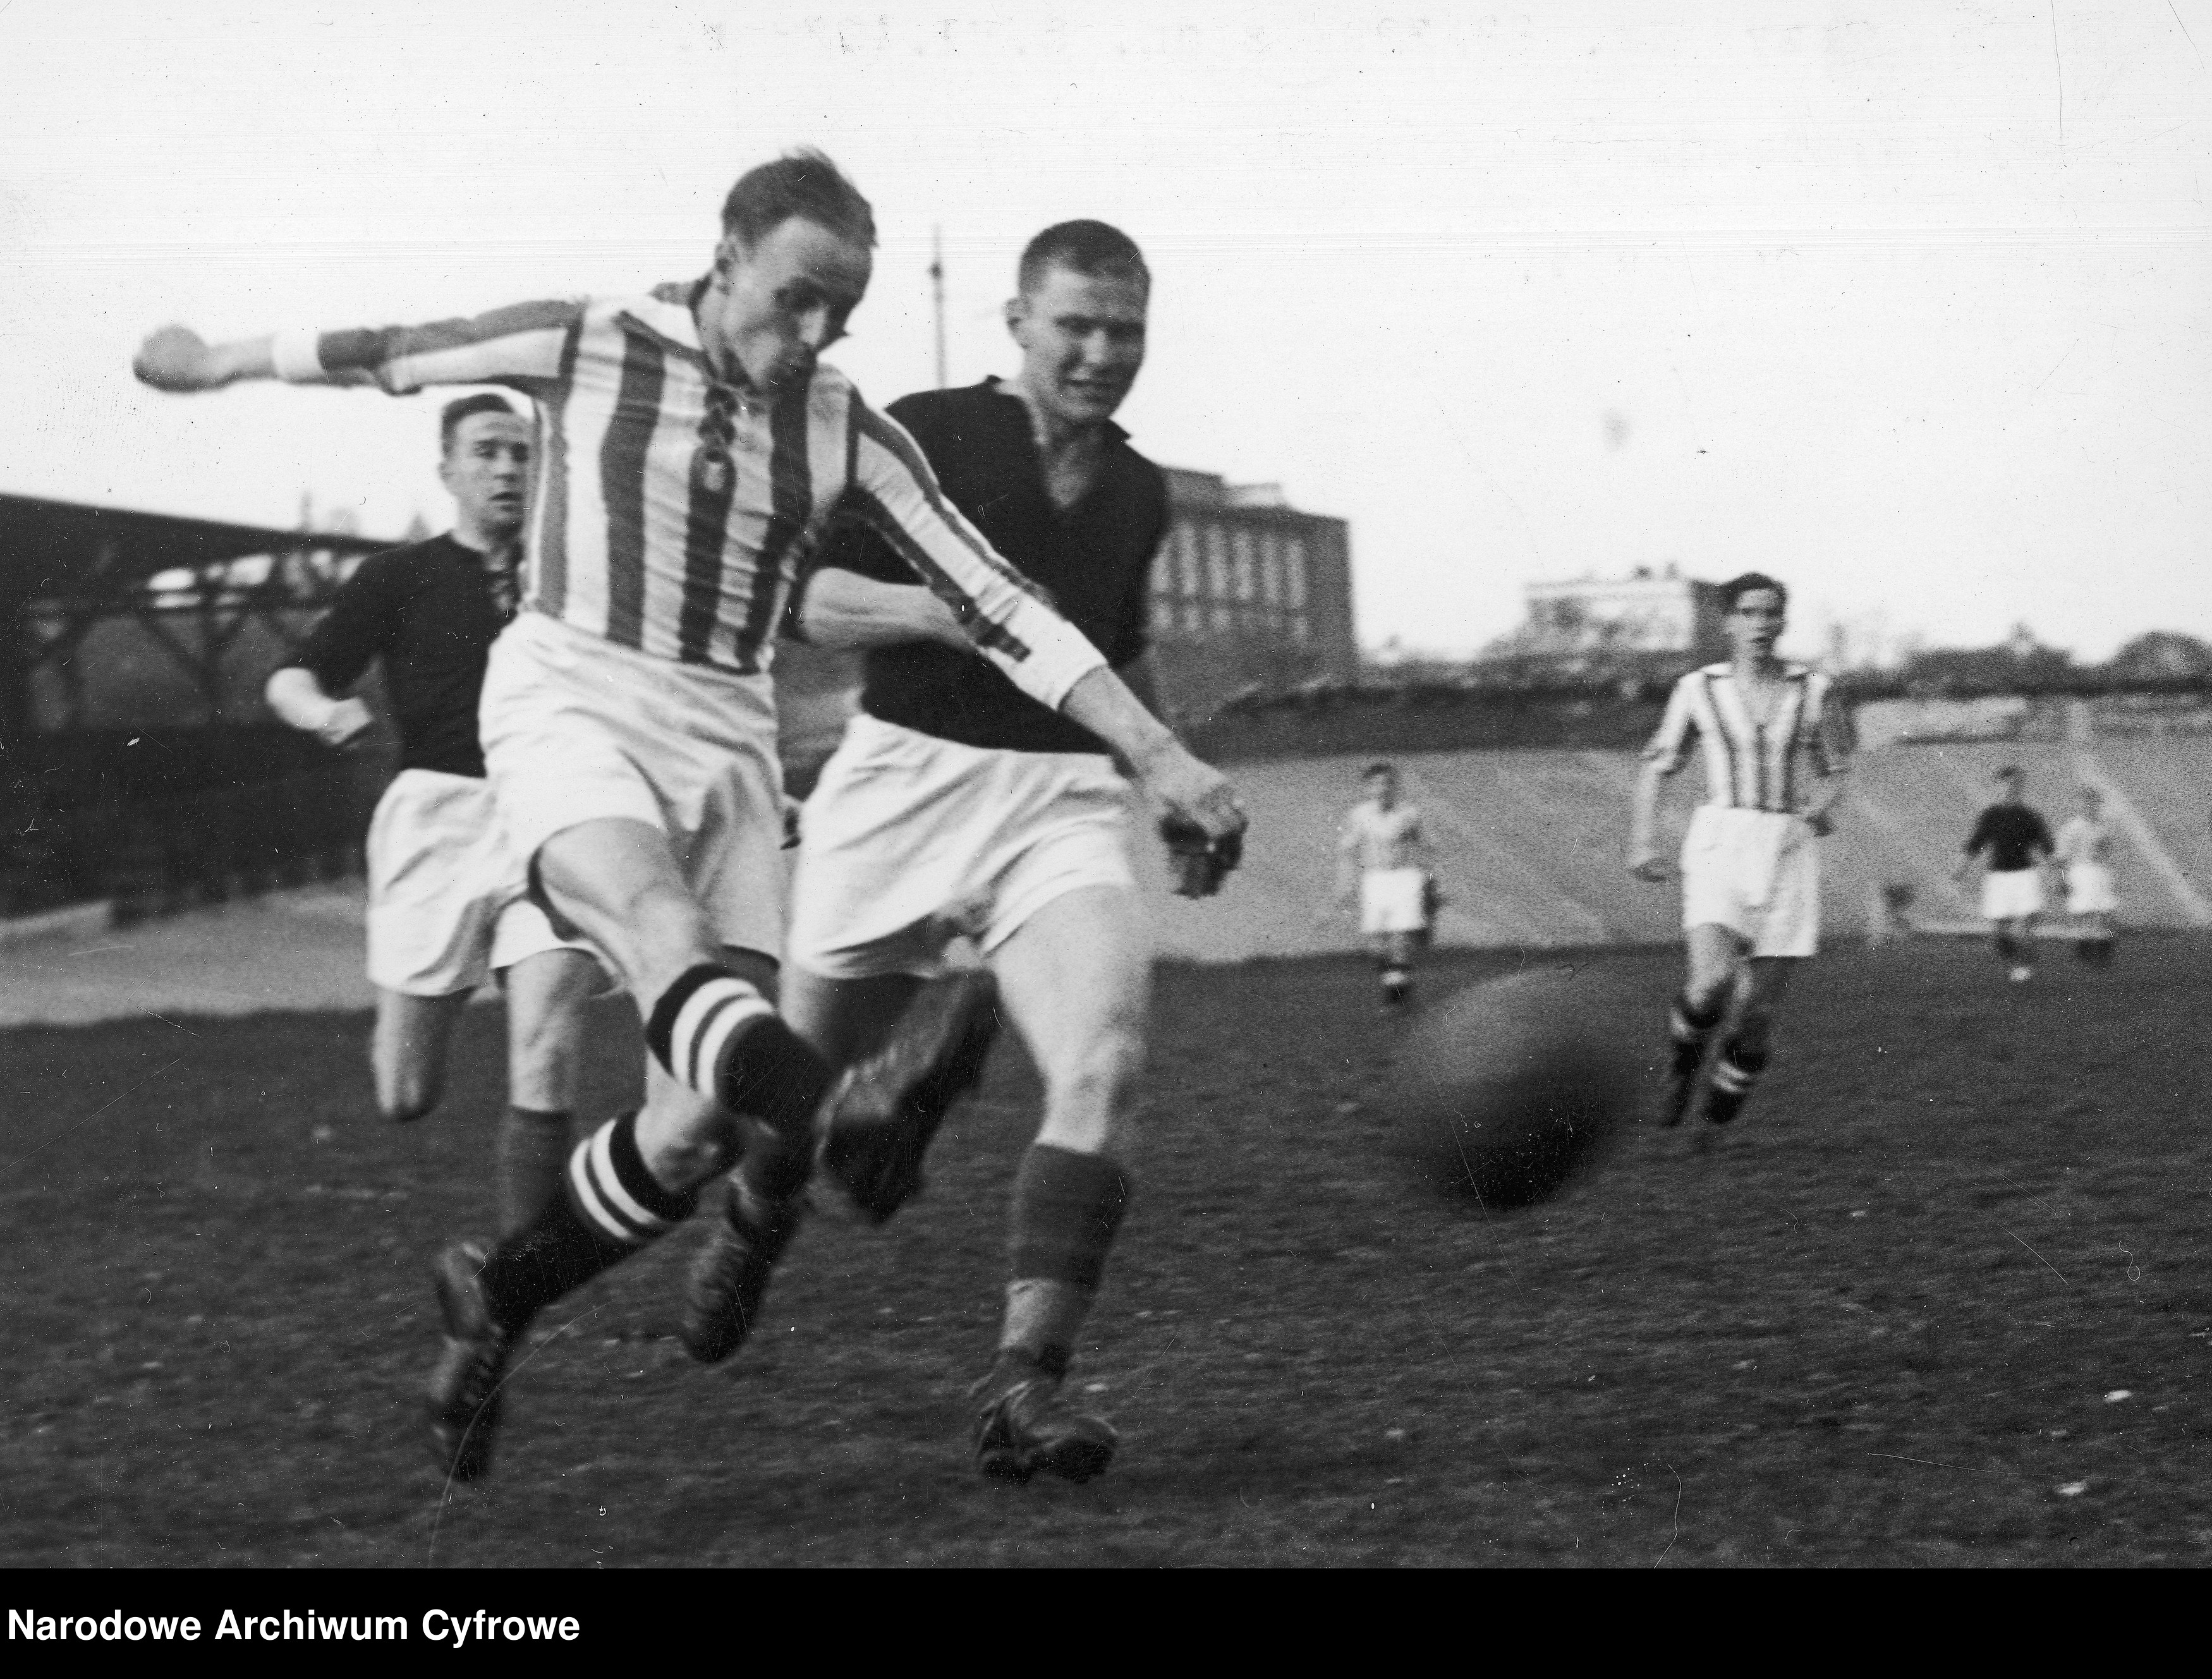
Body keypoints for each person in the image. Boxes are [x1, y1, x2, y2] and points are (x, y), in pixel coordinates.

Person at [133, 152, 1244, 1486]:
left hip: (724, 738)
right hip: (569, 703)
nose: (816, 335)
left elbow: (1007, 601)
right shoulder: (586, 339)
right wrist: (214, 361)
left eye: (843, 311)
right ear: (723, 259)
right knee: (661, 938)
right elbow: (389, 348)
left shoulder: (842, 423)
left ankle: (503, 1287)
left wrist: (1160, 756)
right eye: (794, 298)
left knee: (696, 1132)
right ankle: (841, 1114)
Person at [758, 219, 1241, 1484]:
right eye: (1073, 324)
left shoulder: (1137, 490)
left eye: (1122, 328)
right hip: (902, 778)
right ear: (1016, 321)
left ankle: (1026, 1383)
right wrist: (951, 608)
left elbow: (1117, 655)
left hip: (1059, 801)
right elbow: (801, 600)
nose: (1098, 351)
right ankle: (763, 1210)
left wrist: (1165, 773)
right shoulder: (923, 430)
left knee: (1106, 1058)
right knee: (781, 1095)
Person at [265, 395, 605, 1235]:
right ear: (447, 468)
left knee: (548, 1039)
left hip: (553, 815)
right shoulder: (398, 577)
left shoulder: (578, 575)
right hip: (439, 819)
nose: (506, 470)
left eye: (524, 455)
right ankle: (396, 1046)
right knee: (406, 1095)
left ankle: (523, 1283)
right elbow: (293, 677)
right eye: (487, 452)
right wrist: (325, 714)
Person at [1627, 573, 1851, 1130]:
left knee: (1758, 1013)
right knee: (1711, 983)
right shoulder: (1697, 688)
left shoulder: (1815, 690)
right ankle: (1683, 1066)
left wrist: (1821, 807)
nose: (1761, 624)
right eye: (1749, 613)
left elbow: (1837, 769)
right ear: (1729, 621)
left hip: (1786, 845)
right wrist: (1642, 839)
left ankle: (1715, 1122)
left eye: (1771, 613)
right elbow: (1658, 766)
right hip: (1720, 840)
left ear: (1783, 621)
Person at [1335, 762, 1437, 1006]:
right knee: (1375, 942)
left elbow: (1425, 848)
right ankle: (1397, 981)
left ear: (1395, 786)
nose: (1383, 789)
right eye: (1376, 784)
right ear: (1367, 788)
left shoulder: (1409, 813)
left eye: (1388, 783)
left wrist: (1431, 882)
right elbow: (1347, 851)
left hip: (1404, 877)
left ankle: (1397, 996)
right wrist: (1344, 884)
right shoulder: (1358, 815)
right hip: (1374, 879)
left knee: (1401, 936)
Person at [1955, 766, 2055, 983]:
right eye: (2007, 784)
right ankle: (2016, 964)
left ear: (2021, 788)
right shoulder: (1990, 816)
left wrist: (2059, 877)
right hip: (1998, 878)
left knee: (2025, 929)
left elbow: (2047, 849)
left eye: (2016, 784)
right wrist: (1960, 870)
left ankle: (2025, 966)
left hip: (2025, 876)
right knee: (1998, 934)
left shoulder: (2031, 816)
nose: (2011, 788)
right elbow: (1975, 844)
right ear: (1998, 786)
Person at [2052, 784, 2118, 967]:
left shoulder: (2104, 826)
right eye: (2085, 802)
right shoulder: (2072, 827)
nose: (2090, 805)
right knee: (2084, 914)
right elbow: (2061, 858)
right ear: (2079, 805)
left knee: (2105, 912)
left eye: (2093, 802)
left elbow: (2106, 851)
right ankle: (2085, 954)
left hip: (2101, 872)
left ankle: (2104, 954)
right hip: (2081, 871)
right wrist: (2062, 880)